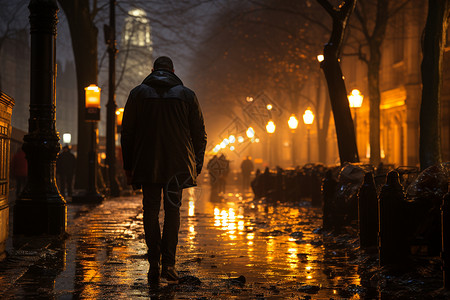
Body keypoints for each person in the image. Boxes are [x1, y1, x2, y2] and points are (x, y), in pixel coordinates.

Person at [121, 56, 207, 284]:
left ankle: (153, 263)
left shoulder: (137, 94)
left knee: (150, 210)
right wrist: (196, 164)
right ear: (173, 71)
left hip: (147, 162)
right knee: (172, 211)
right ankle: (169, 263)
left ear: (152, 70)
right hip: (177, 166)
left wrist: (128, 166)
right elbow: (200, 134)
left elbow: (127, 134)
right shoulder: (187, 95)